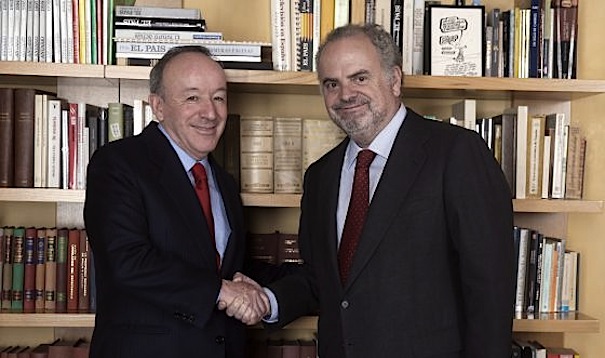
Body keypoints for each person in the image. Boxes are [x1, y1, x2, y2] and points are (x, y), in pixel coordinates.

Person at [228, 23, 516, 357]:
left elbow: (490, 289)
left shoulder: (456, 153)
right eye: (331, 84)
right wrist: (268, 301)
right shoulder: (320, 176)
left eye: (359, 78)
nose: (345, 95)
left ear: (394, 80)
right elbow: (321, 281)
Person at [84, 45, 270, 358]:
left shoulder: (224, 182)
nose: (210, 113)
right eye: (192, 97)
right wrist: (223, 292)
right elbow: (127, 261)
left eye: (219, 97)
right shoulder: (118, 163)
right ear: (158, 106)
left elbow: (226, 268)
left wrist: (283, 290)